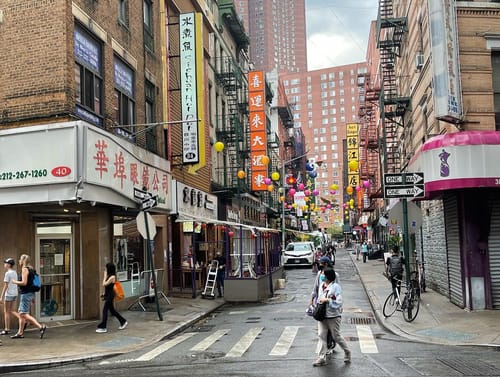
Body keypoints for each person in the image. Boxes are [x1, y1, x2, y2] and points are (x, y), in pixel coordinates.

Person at [313, 267, 350, 367]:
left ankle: (347, 352)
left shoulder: (336, 287)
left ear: (328, 276)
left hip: (333, 316)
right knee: (321, 335)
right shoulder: (321, 285)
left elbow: (339, 302)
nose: (322, 275)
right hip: (322, 315)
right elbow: (319, 298)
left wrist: (328, 300)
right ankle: (321, 357)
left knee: (336, 336)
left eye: (323, 274)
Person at [11, 254, 47, 339]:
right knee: (21, 314)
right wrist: (33, 298)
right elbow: (31, 283)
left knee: (24, 314)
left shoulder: (24, 269)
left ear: (23, 261)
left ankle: (40, 327)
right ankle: (20, 333)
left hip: (26, 294)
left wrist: (14, 281)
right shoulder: (31, 269)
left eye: (20, 259)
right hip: (30, 293)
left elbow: (24, 283)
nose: (19, 261)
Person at [309, 256, 338, 354]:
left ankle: (329, 345)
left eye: (321, 263)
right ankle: (325, 349)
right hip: (320, 304)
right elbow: (315, 288)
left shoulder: (333, 274)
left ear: (326, 264)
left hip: (329, 304)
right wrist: (311, 300)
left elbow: (337, 290)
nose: (319, 265)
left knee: (330, 328)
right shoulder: (319, 274)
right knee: (322, 329)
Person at [96, 262, 128, 333]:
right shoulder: (109, 276)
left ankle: (103, 327)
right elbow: (108, 287)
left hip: (110, 296)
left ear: (109, 268)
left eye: (106, 268)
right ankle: (123, 321)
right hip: (108, 294)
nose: (105, 269)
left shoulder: (112, 277)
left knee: (105, 311)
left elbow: (104, 284)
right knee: (112, 311)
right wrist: (104, 294)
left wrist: (104, 276)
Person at [1, 258, 20, 337]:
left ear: (9, 265)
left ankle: (7, 329)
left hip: (8, 294)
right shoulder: (15, 272)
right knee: (12, 310)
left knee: (6, 312)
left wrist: (1, 296)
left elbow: (6, 285)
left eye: (5, 263)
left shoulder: (7, 273)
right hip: (15, 293)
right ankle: (22, 318)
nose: (4, 264)